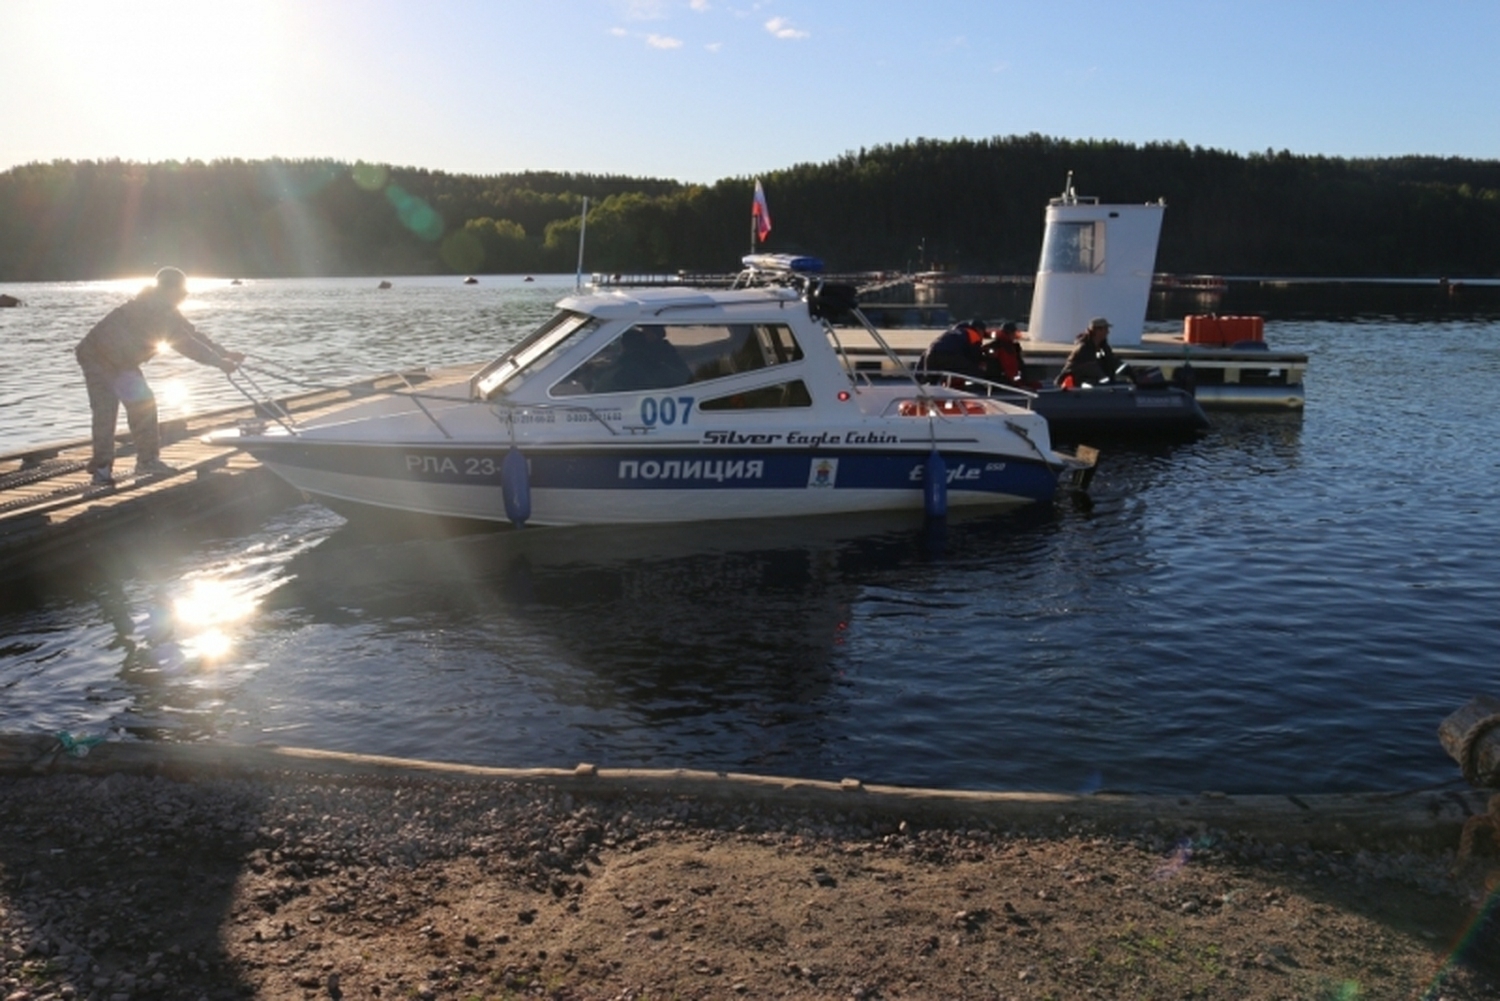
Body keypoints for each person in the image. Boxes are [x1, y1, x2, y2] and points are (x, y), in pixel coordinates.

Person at [74, 267, 244, 486]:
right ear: (168, 289)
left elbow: (192, 334)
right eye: (182, 291)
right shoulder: (155, 309)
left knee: (144, 404)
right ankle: (104, 469)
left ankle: (146, 461)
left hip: (122, 361)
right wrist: (220, 363)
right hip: (97, 357)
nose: (185, 295)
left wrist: (224, 353)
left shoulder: (166, 307)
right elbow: (187, 345)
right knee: (107, 411)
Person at [595, 324, 692, 393]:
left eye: (645, 332)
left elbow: (615, 381)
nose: (643, 335)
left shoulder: (655, 355)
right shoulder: (655, 352)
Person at [1056, 316, 1131, 388]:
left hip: (1095, 384)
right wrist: (1104, 380)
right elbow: (1090, 367)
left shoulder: (1103, 347)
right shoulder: (1084, 348)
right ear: (1097, 331)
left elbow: (1112, 360)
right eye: (1105, 329)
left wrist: (1128, 370)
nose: (1108, 332)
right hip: (1077, 384)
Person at [917, 317, 987, 381]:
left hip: (930, 354)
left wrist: (917, 377)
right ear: (979, 330)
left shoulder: (951, 332)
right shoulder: (973, 334)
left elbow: (925, 354)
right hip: (948, 355)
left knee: (930, 379)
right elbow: (975, 355)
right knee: (975, 371)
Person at [980, 320, 1038, 389]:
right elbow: (1010, 367)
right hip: (1002, 381)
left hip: (994, 380)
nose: (1015, 335)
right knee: (1036, 385)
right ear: (1010, 333)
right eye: (1014, 333)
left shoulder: (996, 345)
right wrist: (1019, 384)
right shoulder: (1006, 347)